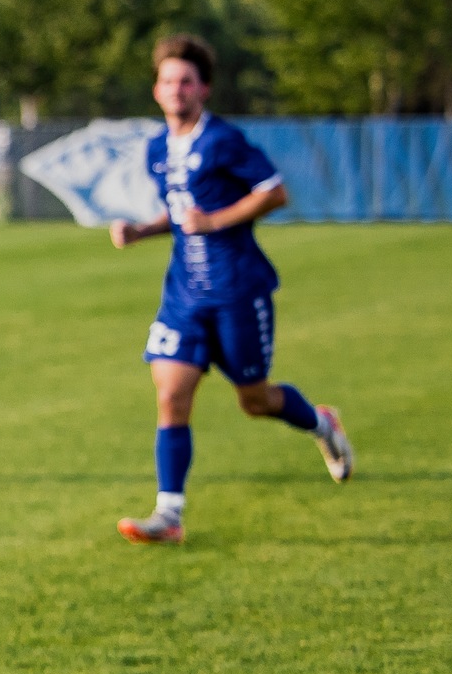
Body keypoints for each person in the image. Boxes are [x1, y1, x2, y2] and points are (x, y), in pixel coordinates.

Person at [109, 35, 353, 544]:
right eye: (169, 81)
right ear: (156, 90)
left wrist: (216, 219)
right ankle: (169, 516)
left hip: (237, 289)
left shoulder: (223, 140)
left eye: (187, 82)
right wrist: (141, 231)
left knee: (255, 400)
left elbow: (274, 192)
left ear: (205, 90)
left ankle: (323, 424)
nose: (177, 90)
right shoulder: (157, 148)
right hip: (184, 293)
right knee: (171, 393)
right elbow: (181, 218)